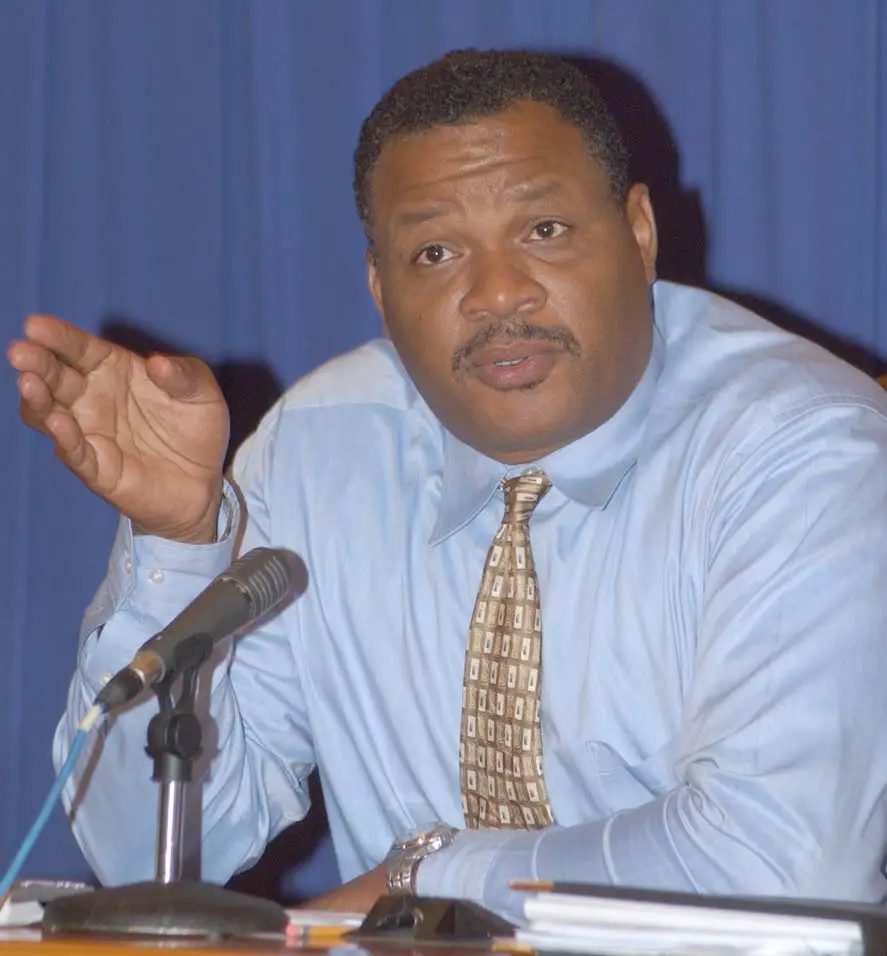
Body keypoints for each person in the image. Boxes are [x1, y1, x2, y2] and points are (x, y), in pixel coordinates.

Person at [8, 48, 887, 922]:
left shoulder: (802, 451)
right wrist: (179, 545)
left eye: (544, 231)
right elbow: (151, 857)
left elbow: (783, 864)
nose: (497, 293)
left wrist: (430, 875)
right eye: (434, 251)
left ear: (639, 231)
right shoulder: (317, 451)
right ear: (379, 288)